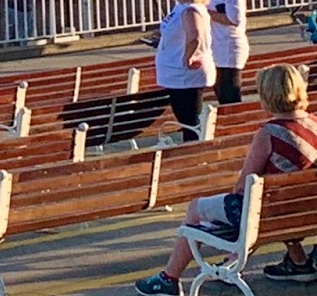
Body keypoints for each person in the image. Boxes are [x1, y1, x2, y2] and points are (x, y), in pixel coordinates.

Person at [134, 64, 317, 294]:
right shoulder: (314, 123)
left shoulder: (269, 133)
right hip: (302, 212)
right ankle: (298, 262)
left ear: (268, 94)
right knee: (275, 201)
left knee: (197, 208)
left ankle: (169, 278)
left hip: (267, 214)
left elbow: (243, 185)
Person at [155, 0, 215, 141]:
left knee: (189, 121)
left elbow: (194, 37)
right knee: (185, 119)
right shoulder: (181, 8)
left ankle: (194, 153)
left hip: (185, 76)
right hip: (175, 74)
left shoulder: (190, 10)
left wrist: (186, 58)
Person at [206, 0, 250, 105]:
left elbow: (234, 19)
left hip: (229, 47)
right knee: (220, 92)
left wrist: (206, 13)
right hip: (217, 47)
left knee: (229, 95)